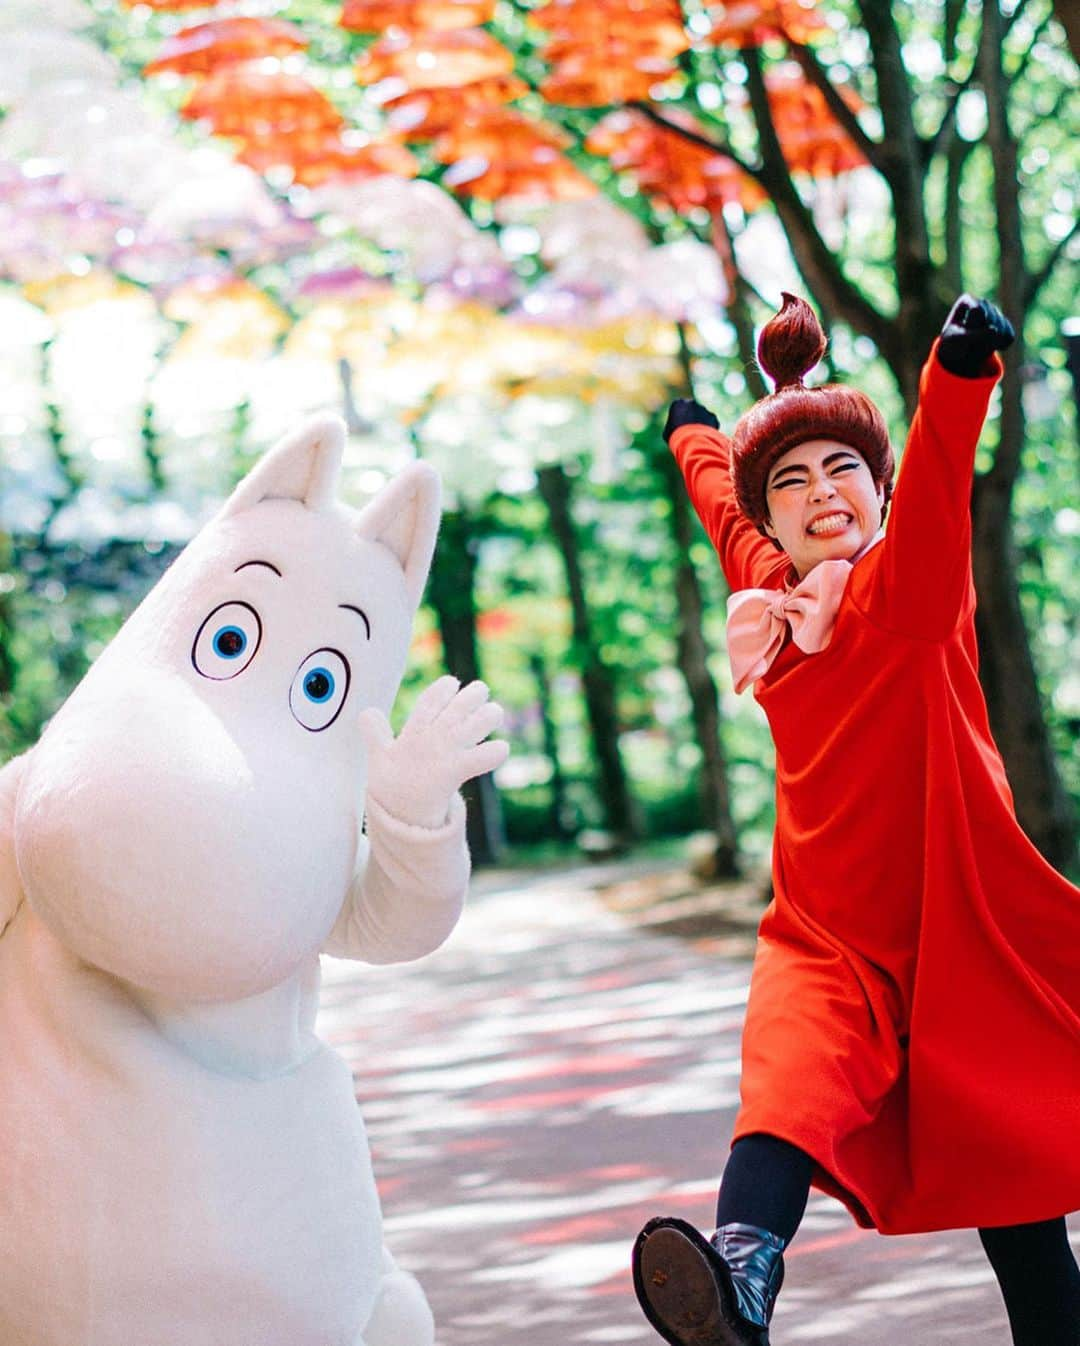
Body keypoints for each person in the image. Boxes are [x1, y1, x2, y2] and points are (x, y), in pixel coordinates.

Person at [631, 293, 1080, 1346]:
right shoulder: (774, 592)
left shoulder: (909, 586)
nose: (818, 493)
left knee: (1022, 1220)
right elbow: (720, 508)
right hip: (827, 932)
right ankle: (741, 1286)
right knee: (782, 1088)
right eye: (791, 483)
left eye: (843, 470)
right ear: (775, 523)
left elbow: (936, 476)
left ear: (877, 490)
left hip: (959, 931)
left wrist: (960, 371)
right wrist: (692, 432)